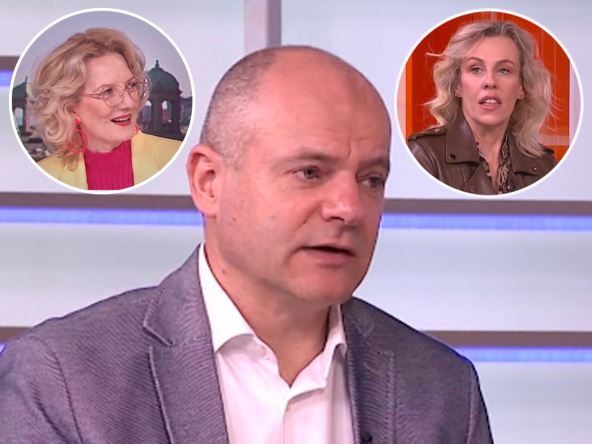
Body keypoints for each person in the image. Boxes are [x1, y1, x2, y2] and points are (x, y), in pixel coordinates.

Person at [0, 46, 493, 443]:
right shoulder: (62, 378)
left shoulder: (444, 389)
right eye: (310, 172)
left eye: (371, 179)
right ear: (209, 182)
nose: (349, 208)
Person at [407, 20, 557, 195]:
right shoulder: (425, 154)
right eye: (476, 69)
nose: (490, 82)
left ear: (521, 87)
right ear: (457, 86)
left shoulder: (544, 165)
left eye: (504, 70)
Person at [29, 28, 181, 191]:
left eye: (131, 85)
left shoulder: (178, 157)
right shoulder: (41, 177)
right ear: (70, 107)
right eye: (107, 92)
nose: (129, 103)